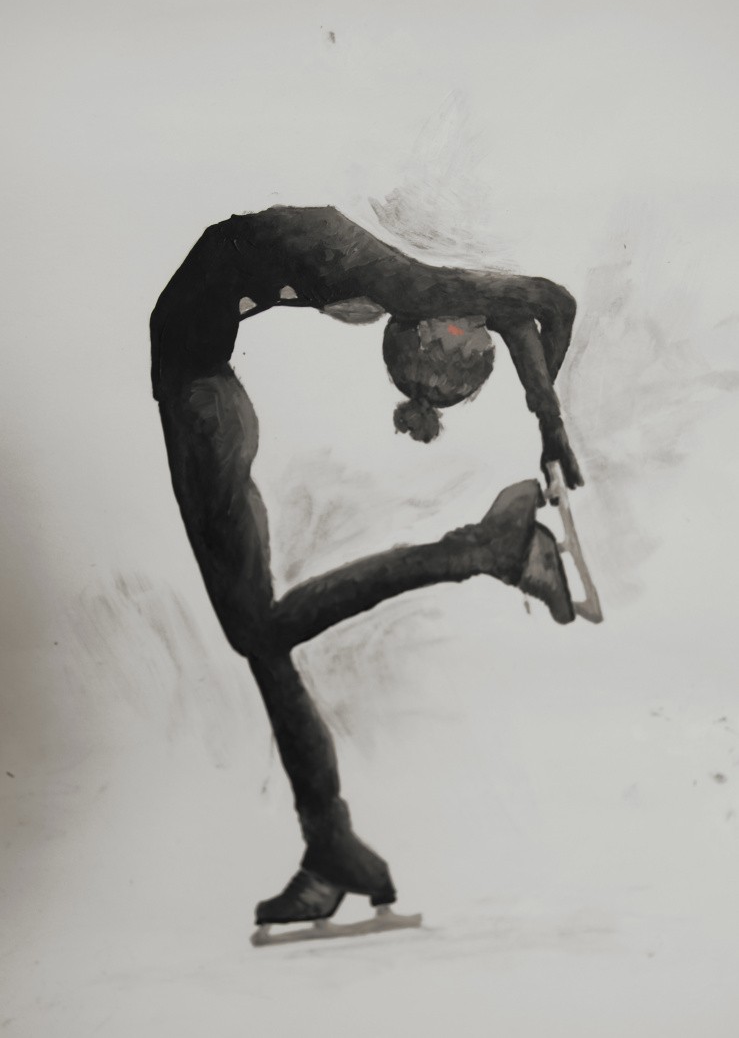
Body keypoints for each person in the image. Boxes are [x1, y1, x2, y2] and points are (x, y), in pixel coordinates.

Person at [150, 205, 581, 928]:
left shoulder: (403, 287)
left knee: (257, 634)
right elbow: (545, 302)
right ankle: (330, 847)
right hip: (200, 393)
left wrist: (548, 419)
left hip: (200, 400)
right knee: (260, 638)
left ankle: (488, 549)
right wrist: (548, 420)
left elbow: (516, 311)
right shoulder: (402, 285)